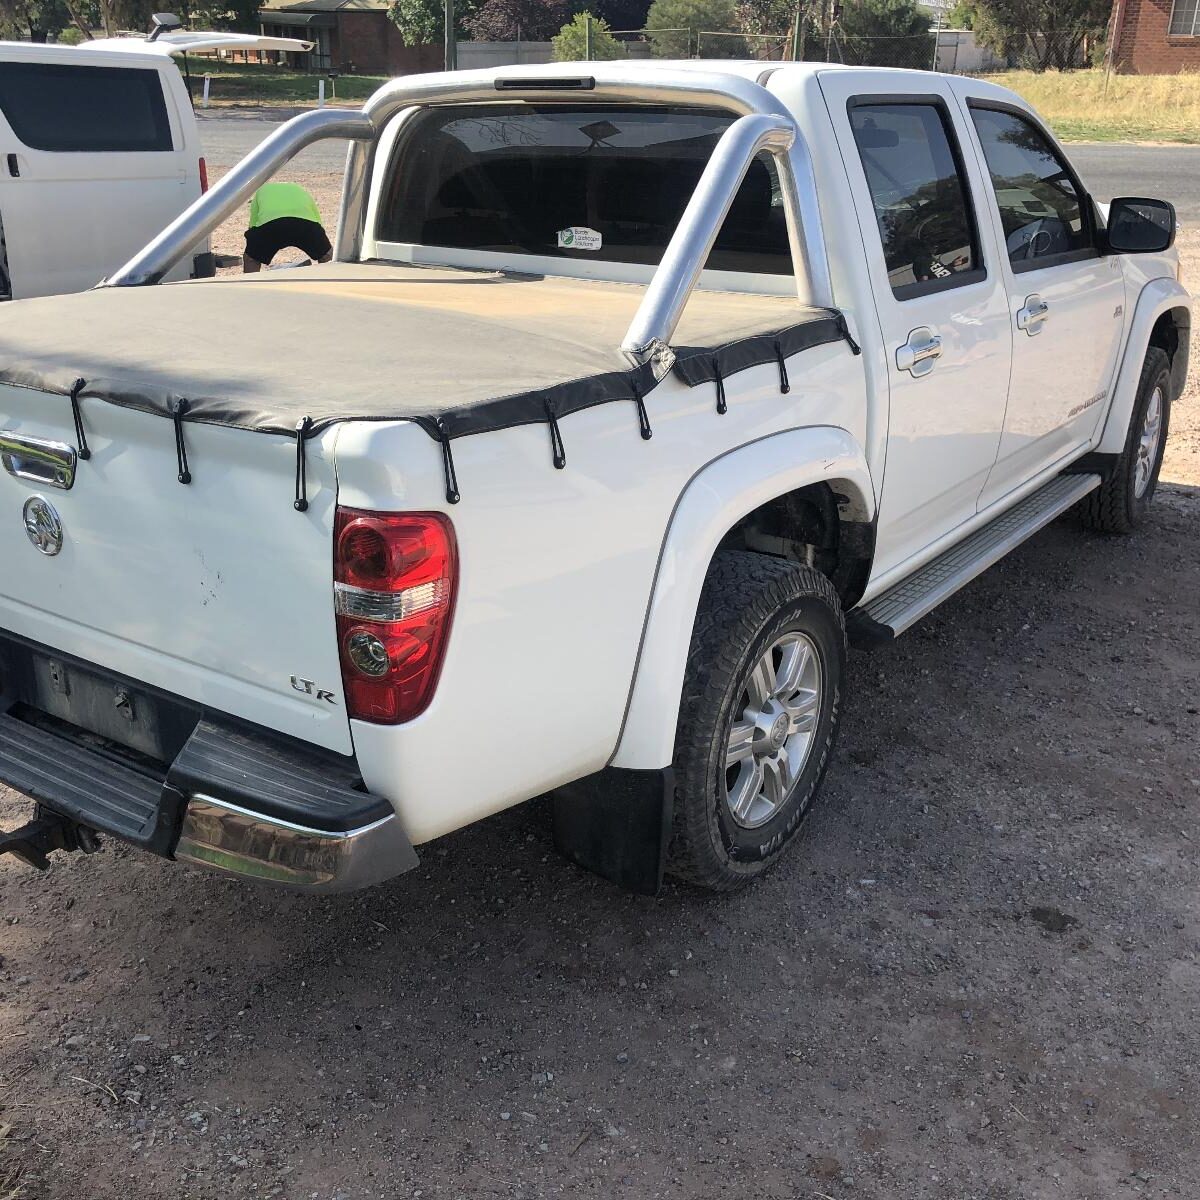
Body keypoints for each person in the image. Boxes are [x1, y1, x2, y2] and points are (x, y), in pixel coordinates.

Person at [242, 182, 332, 273]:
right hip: (305, 225)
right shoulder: (301, 189)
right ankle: (332, 278)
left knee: (251, 258)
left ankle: (249, 282)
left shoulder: (260, 191)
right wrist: (322, 244)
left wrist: (253, 250)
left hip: (271, 226)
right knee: (326, 254)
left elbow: (252, 225)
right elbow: (318, 221)